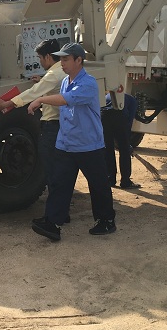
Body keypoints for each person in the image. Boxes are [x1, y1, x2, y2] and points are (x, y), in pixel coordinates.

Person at [27, 42, 116, 242]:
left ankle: (106, 221)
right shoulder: (67, 80)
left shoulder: (89, 83)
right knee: (60, 184)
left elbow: (66, 100)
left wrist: (41, 100)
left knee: (98, 184)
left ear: (78, 60)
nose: (62, 63)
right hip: (67, 144)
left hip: (88, 145)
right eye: (61, 59)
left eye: (66, 59)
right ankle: (53, 224)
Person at [0, 39, 67, 189]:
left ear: (48, 57)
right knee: (60, 165)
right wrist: (42, 81)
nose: (39, 62)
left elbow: (33, 93)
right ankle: (61, 200)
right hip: (63, 123)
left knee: (50, 166)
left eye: (39, 57)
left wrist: (6, 104)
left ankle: (56, 205)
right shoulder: (62, 70)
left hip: (53, 125)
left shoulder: (52, 75)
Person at [102, 92, 140, 189]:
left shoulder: (107, 95)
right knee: (124, 151)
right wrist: (126, 143)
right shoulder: (132, 101)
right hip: (119, 116)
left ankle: (110, 179)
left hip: (104, 116)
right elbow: (129, 120)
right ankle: (125, 181)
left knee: (108, 149)